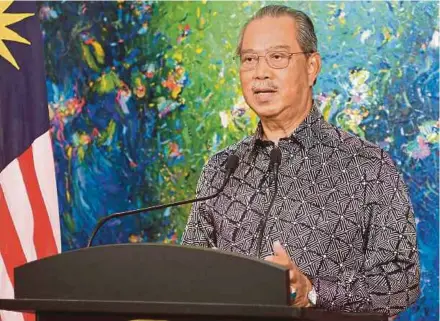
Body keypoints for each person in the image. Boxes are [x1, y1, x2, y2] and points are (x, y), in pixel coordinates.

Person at [181, 4, 420, 317]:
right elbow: (187, 274)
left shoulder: (368, 166)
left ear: (311, 67)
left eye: (277, 57)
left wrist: (313, 292)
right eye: (249, 59)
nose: (260, 72)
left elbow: (402, 279)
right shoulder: (222, 167)